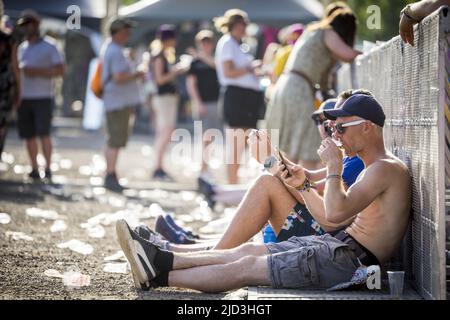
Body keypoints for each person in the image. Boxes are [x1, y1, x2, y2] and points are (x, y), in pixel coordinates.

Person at [116, 93, 412, 292]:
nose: (334, 134)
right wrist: (297, 176)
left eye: (340, 128)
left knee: (246, 266)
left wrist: (331, 167)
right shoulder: (369, 165)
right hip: (336, 249)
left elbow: (333, 215)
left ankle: (159, 274)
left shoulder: (384, 168)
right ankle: (161, 259)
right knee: (244, 251)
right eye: (332, 128)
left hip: (350, 264)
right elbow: (326, 206)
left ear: (368, 128)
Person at [130, 90, 369, 256]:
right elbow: (304, 176)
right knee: (265, 187)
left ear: (362, 126)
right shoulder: (348, 156)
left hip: (324, 241)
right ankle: (182, 248)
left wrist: (269, 161)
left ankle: (188, 250)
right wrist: (271, 153)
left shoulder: (355, 161)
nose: (328, 129)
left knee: (267, 184)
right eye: (323, 122)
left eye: (336, 124)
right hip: (317, 232)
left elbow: (313, 197)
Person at [265, 8, 361, 170]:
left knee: (288, 143)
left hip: (287, 85)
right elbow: (348, 54)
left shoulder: (312, 32)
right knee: (305, 143)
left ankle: (282, 183)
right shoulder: (327, 31)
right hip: (299, 88)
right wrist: (370, 52)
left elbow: (323, 80)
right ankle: (298, 188)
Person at [214, 9, 265, 184]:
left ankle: (233, 182)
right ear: (235, 25)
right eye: (243, 24)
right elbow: (228, 72)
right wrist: (250, 68)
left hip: (247, 98)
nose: (245, 28)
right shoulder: (228, 43)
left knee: (243, 145)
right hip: (237, 98)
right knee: (236, 146)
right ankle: (231, 184)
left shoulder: (238, 44)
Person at [16, 10, 64, 182]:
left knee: (44, 134)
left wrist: (36, 72)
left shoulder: (50, 46)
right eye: (23, 25)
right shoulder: (22, 48)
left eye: (28, 25)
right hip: (24, 97)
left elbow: (60, 70)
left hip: (44, 97)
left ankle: (48, 168)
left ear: (36, 25)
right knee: (28, 135)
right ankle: (34, 168)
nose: (26, 29)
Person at [100, 17, 143, 192]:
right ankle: (110, 175)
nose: (129, 34)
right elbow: (119, 77)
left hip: (116, 101)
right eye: (126, 31)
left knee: (114, 139)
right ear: (118, 32)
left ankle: (110, 174)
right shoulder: (116, 50)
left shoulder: (111, 48)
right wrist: (137, 73)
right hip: (117, 102)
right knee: (115, 140)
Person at [150, 24, 188, 181]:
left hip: (167, 98)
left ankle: (159, 165)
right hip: (164, 98)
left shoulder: (163, 55)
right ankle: (157, 166)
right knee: (166, 131)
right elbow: (160, 80)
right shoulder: (159, 56)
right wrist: (175, 71)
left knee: (164, 132)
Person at [185, 30, 221, 181]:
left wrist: (202, 56)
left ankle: (205, 166)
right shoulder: (195, 63)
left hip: (216, 102)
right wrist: (198, 103)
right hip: (203, 103)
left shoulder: (216, 59)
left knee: (211, 136)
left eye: (208, 42)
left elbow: (217, 67)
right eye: (203, 43)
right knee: (204, 136)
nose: (206, 45)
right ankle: (203, 168)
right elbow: (191, 84)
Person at [0, 3, 20, 159]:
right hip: (5, 85)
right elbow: (15, 66)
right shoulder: (9, 38)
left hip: (5, 85)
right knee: (2, 125)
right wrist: (19, 89)